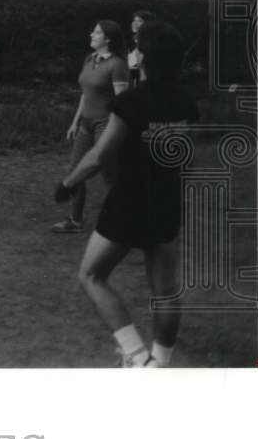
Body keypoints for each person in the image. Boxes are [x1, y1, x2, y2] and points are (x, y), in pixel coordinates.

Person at [53, 21, 199, 367]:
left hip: (129, 202)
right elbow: (186, 159)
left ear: (144, 58)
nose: (133, 52)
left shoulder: (131, 102)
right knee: (165, 290)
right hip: (166, 201)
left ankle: (135, 355)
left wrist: (68, 184)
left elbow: (99, 156)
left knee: (91, 275)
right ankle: (159, 364)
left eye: (137, 47)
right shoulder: (186, 102)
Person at [52, 21, 129, 233]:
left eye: (96, 32)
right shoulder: (89, 59)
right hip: (86, 124)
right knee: (76, 170)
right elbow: (85, 94)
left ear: (108, 39)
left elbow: (122, 104)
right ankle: (75, 221)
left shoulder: (117, 65)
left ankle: (125, 221)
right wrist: (75, 122)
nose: (91, 34)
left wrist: (114, 132)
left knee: (110, 175)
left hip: (106, 125)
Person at [126, 9, 156, 88]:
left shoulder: (149, 43)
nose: (134, 23)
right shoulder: (133, 41)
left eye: (139, 21)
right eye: (134, 20)